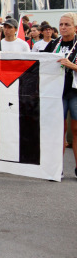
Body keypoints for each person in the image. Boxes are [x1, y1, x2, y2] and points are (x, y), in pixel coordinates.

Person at [45, 13, 77, 178]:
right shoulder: (53, 44)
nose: (63, 27)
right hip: (57, 92)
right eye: (61, 24)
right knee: (58, 131)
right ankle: (57, 168)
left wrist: (73, 66)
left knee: (76, 130)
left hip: (75, 92)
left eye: (67, 24)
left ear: (75, 28)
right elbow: (38, 61)